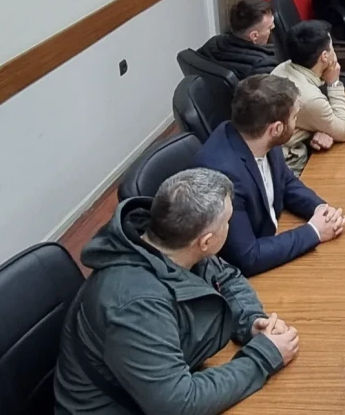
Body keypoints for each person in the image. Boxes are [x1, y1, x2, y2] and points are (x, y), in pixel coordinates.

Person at [55, 169, 299, 414]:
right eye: (227, 221)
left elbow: (225, 277)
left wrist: (251, 320)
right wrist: (264, 357)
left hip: (156, 382)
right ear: (206, 241)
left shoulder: (171, 239)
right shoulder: (135, 305)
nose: (230, 226)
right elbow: (178, 404)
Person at [193, 74, 345, 276]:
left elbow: (286, 182)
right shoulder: (225, 176)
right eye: (294, 117)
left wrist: (321, 210)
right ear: (276, 128)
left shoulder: (257, 137)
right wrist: (314, 232)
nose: (296, 122)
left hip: (273, 236)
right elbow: (247, 257)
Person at [270, 20, 345, 168]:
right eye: (332, 47)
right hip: (293, 168)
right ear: (325, 56)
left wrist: (318, 129)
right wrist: (334, 83)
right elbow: (344, 130)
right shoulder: (310, 99)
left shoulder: (283, 67)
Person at [196, 0, 279, 80]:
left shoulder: (213, 43)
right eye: (269, 27)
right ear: (254, 36)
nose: (273, 27)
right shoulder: (262, 66)